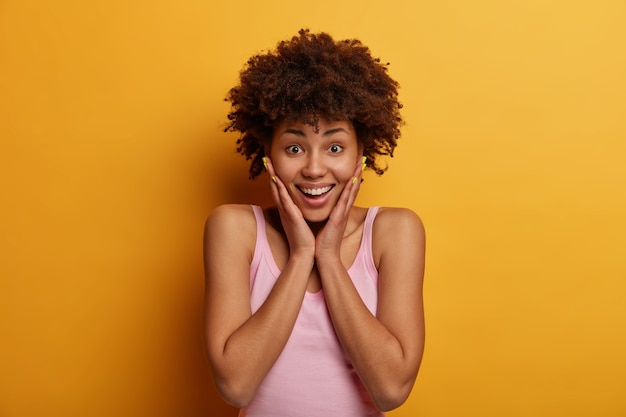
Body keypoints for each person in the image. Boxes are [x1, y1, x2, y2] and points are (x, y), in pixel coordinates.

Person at [203, 29, 425, 417]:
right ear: (266, 152)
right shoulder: (235, 229)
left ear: (362, 155)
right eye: (294, 148)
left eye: (335, 147)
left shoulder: (394, 232)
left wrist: (329, 257)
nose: (315, 168)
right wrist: (302, 253)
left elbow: (391, 390)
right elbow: (236, 386)